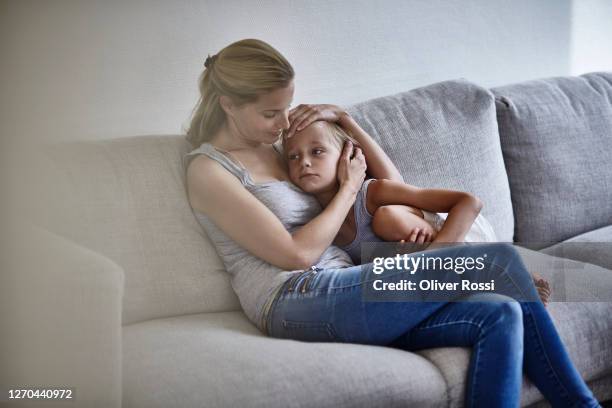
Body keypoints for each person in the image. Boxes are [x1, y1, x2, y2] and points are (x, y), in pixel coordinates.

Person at [183, 38, 600, 407]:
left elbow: (390, 186)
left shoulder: (278, 148)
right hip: (295, 296)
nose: (285, 124)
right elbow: (297, 254)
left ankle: (468, 277)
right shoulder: (210, 171)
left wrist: (345, 120)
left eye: (287, 109)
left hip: (349, 284)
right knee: (501, 263)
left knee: (502, 314)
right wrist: (348, 189)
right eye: (272, 113)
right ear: (228, 104)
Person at [281, 120, 551, 306]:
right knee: (376, 262)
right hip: (418, 268)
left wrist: (432, 256)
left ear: (348, 156)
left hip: (457, 233)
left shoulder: (373, 194)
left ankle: (501, 272)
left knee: (388, 220)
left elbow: (469, 203)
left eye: (317, 152)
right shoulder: (324, 230)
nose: (304, 161)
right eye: (293, 156)